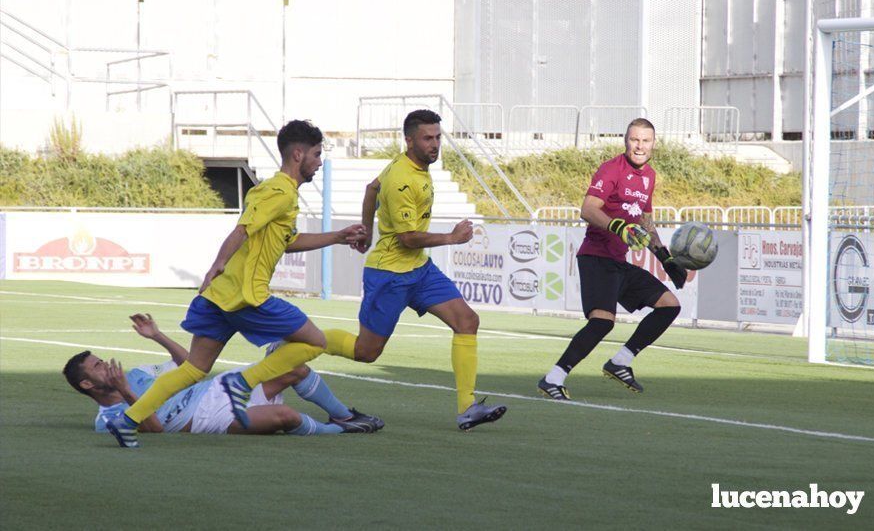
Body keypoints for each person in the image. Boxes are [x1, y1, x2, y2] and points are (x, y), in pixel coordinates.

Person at [106, 119, 367, 448]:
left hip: (219, 298)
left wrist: (338, 237)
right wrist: (217, 263)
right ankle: (244, 383)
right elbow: (242, 229)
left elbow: (286, 240)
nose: (319, 162)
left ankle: (128, 420)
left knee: (193, 369)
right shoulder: (280, 191)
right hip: (248, 297)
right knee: (314, 342)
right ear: (298, 154)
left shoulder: (273, 191)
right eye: (316, 154)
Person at [320, 110, 507, 431]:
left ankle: (467, 408)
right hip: (390, 275)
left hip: (419, 269)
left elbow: (370, 188)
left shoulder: (410, 165)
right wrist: (452, 237)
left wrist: (366, 229)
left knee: (467, 321)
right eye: (427, 138)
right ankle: (298, 338)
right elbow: (407, 238)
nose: (435, 144)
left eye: (437, 137)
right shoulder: (403, 180)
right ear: (409, 140)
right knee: (366, 353)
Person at [537, 118, 688, 399]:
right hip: (596, 257)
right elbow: (587, 209)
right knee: (602, 321)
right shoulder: (611, 169)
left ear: (654, 144)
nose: (640, 146)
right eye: (635, 140)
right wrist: (617, 226)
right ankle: (553, 378)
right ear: (626, 141)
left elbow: (645, 222)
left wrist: (665, 258)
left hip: (619, 261)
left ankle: (620, 361)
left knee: (669, 306)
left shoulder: (649, 176)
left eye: (645, 140)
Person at [64, 315, 383, 438]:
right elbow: (155, 428)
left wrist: (157, 336)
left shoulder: (136, 373)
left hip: (215, 388)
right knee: (285, 415)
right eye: (97, 367)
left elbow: (189, 366)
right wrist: (127, 394)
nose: (106, 365)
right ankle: (335, 433)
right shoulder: (106, 420)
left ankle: (345, 417)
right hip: (206, 418)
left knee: (293, 365)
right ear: (87, 385)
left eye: (101, 361)